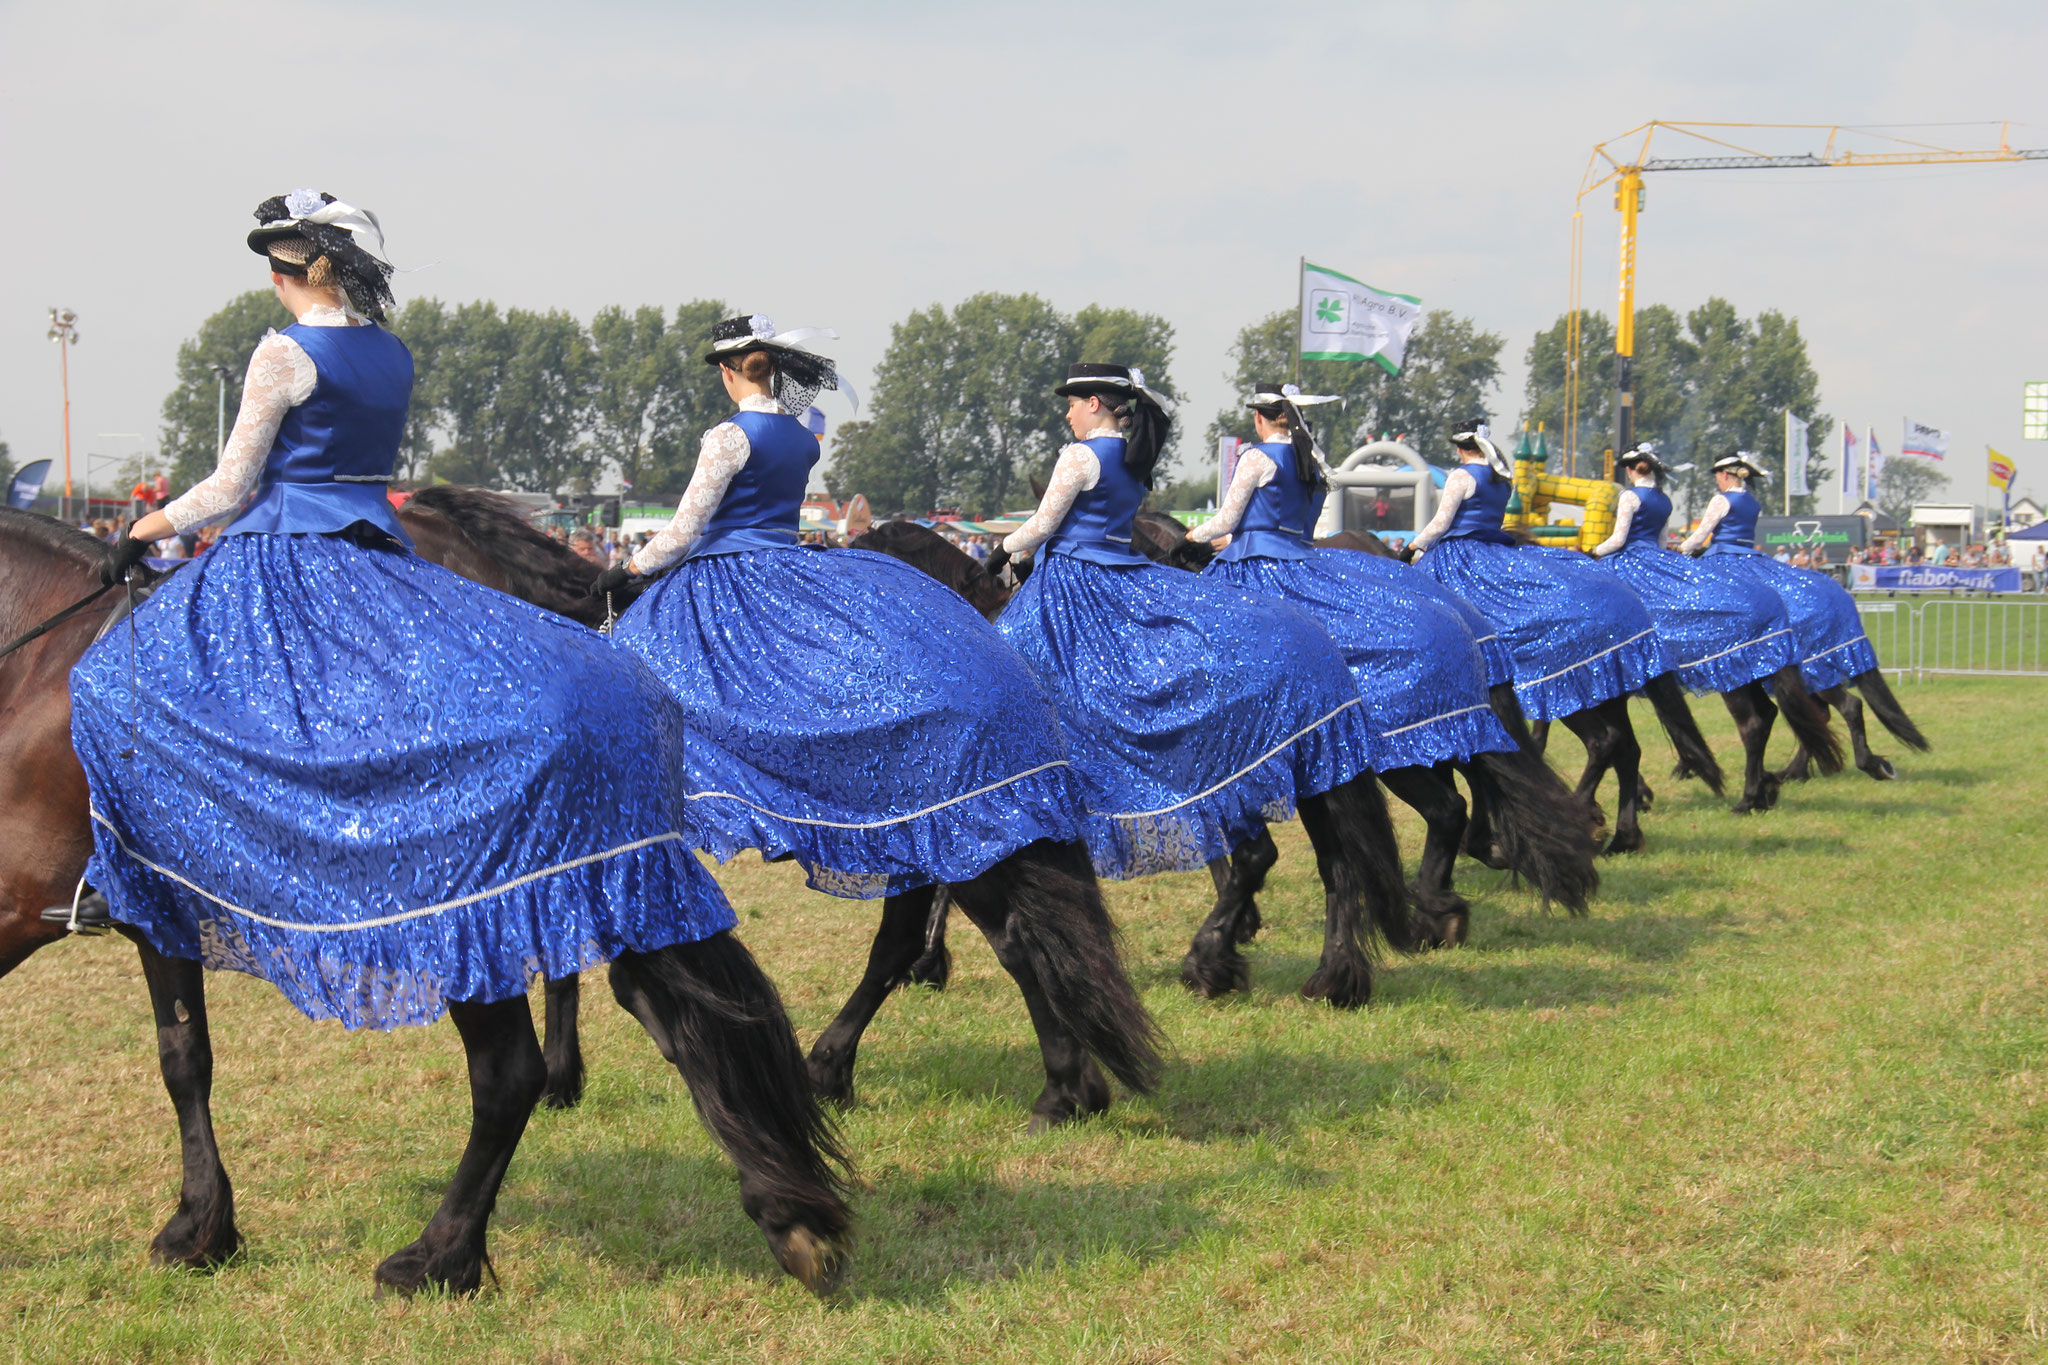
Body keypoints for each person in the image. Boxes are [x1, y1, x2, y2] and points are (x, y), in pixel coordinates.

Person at [64, 191, 744, 1031]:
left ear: (298, 268)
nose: (271, 282)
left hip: (283, 558)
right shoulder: (391, 352)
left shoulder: (280, 353)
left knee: (107, 681)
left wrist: (140, 530)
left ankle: (123, 871)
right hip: (376, 553)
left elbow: (230, 486)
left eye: (274, 266)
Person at [595, 315, 1078, 896]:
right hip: (787, 568)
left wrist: (625, 570)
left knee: (640, 674)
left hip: (723, 582)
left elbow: (681, 533)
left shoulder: (726, 437)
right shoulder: (802, 438)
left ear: (728, 372)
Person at [986, 363, 1379, 878]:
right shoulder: (1130, 457)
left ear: (1095, 404)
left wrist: (1002, 549)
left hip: (1071, 585)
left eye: (1073, 403)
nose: (1067, 413)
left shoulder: (1079, 456)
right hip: (1121, 574)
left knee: (1004, 666)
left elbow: (1042, 523)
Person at [1184, 381, 1517, 770]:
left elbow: (1227, 519)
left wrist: (1192, 536)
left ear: (1259, 418)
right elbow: (1293, 529)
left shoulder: (1256, 457)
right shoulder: (1311, 459)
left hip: (1257, 569)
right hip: (1300, 558)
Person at [1404, 423, 1671, 722]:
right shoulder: (1503, 479)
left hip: (1458, 556)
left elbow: (1441, 524)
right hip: (1493, 550)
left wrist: (1412, 546)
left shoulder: (1460, 476)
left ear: (1461, 448)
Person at [1591, 444, 1798, 695]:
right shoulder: (1666, 500)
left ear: (1629, 469)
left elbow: (1618, 540)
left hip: (1634, 560)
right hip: (1727, 553)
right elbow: (1661, 541)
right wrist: (1675, 555)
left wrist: (1592, 552)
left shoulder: (1629, 496)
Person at [1681, 451, 1879, 691]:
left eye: (1717, 476)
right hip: (1751, 558)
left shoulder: (1721, 500)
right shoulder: (1752, 502)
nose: (1717, 481)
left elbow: (1701, 535)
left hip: (1723, 559)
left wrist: (1679, 549)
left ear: (1724, 474)